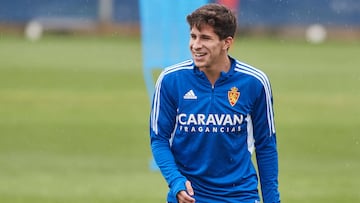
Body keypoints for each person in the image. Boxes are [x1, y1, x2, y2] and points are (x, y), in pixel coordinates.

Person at [149, 3, 280, 203]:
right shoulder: (171, 79)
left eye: (205, 38)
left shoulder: (254, 82)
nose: (196, 45)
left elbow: (266, 145)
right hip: (189, 197)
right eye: (193, 36)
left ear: (226, 42)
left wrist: (272, 200)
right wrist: (176, 181)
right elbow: (159, 139)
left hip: (240, 196)